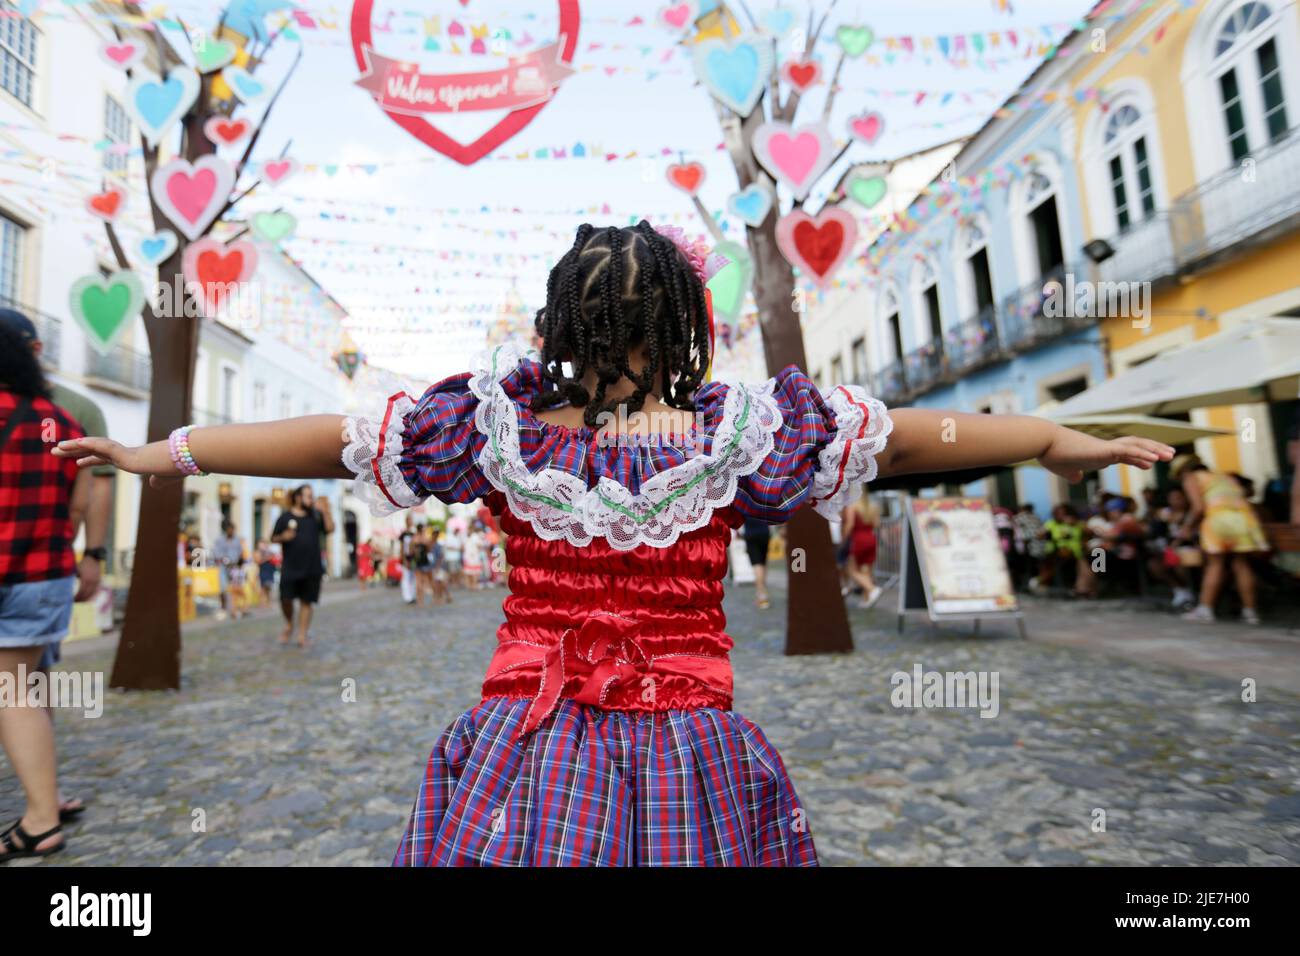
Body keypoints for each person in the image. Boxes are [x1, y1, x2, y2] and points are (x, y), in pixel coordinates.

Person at [54, 221, 1172, 867]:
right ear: (685, 325)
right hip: (687, 742)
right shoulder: (742, 434)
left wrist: (171, 451)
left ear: (558, 327)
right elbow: (921, 437)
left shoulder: (496, 429)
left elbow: (331, 442)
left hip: (521, 744)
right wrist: (1059, 435)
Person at [0, 322, 92, 862]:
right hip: (43, 574)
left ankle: (39, 821)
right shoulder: (63, 421)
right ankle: (47, 794)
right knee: (27, 685)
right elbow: (79, 506)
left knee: (12, 692)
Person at [1172, 454, 1269, 624]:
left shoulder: (1191, 477)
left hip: (1219, 519)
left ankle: (1206, 609)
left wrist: (1186, 528)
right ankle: (1250, 612)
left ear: (1183, 470)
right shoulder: (1224, 476)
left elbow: (1198, 507)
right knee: (1241, 564)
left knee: (1215, 564)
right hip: (1243, 519)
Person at [270, 485, 333, 647]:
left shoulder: (315, 516)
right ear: (298, 497)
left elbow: (330, 529)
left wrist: (326, 511)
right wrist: (284, 536)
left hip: (312, 567)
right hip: (290, 567)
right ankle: (289, 623)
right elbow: (273, 538)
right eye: (307, 496)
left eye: (312, 496)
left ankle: (302, 634)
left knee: (307, 601)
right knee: (285, 599)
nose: (311, 499)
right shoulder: (285, 517)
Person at [845, 493, 882, 608]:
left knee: (851, 570)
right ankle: (867, 599)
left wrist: (843, 538)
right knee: (866, 570)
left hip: (858, 539)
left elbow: (849, 525)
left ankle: (873, 589)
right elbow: (877, 524)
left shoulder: (852, 506)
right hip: (871, 538)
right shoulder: (873, 506)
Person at [741, 514, 772, 609]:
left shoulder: (745, 500)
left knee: (756, 564)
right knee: (763, 562)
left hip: (751, 533)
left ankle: (761, 594)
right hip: (764, 532)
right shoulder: (764, 499)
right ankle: (763, 590)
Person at [255, 539, 277, 606]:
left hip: (269, 570)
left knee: (268, 586)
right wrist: (267, 558)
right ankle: (262, 602)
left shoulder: (270, 552)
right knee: (263, 587)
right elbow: (258, 561)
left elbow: (274, 559)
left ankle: (268, 602)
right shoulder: (258, 552)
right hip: (263, 570)